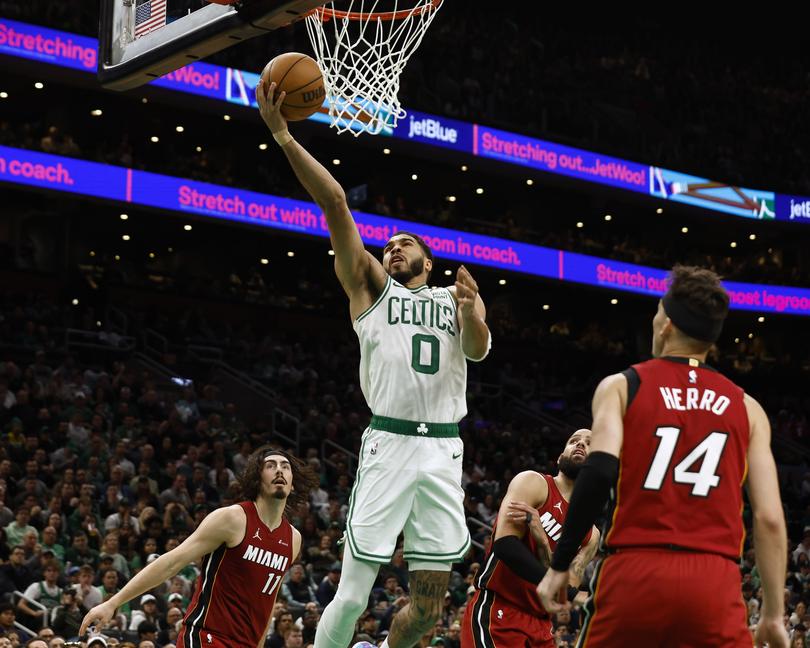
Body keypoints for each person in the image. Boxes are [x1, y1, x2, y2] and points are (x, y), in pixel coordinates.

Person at [257, 77, 491, 648]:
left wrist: (473, 312)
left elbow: (480, 349)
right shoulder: (370, 289)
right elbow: (336, 201)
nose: (394, 247)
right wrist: (285, 135)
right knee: (356, 593)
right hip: (389, 443)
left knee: (431, 608)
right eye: (389, 244)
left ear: (429, 261)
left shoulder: (454, 296)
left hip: (443, 450)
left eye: (406, 243)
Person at [537, 265, 790, 648]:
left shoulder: (622, 386)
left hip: (634, 570)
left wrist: (560, 565)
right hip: (714, 581)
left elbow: (599, 469)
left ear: (666, 324)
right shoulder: (748, 407)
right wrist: (773, 614)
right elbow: (770, 519)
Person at [80, 447, 316, 648]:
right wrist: (113, 602)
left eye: (285, 466)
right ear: (257, 478)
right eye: (270, 465)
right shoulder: (232, 519)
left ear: (293, 484)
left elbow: (267, 600)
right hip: (206, 636)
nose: (279, 470)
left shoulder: (293, 539)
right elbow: (171, 562)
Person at [461, 430, 599, 648]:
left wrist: (542, 540)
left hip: (541, 626)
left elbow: (559, 593)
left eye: (589, 444)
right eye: (574, 441)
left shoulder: (592, 536)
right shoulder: (533, 483)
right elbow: (505, 546)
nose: (580, 444)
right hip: (499, 609)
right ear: (560, 457)